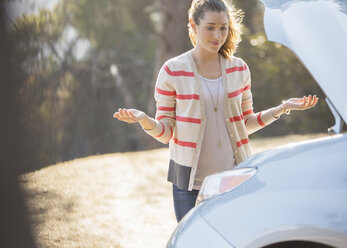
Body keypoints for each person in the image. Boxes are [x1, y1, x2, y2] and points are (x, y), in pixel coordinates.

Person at [113, 0, 318, 222]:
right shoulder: (172, 71)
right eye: (210, 27)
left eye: (223, 28)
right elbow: (166, 132)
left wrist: (283, 108)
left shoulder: (239, 68)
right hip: (189, 184)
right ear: (193, 25)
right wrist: (144, 120)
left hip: (234, 179)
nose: (218, 35)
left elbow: (245, 123)